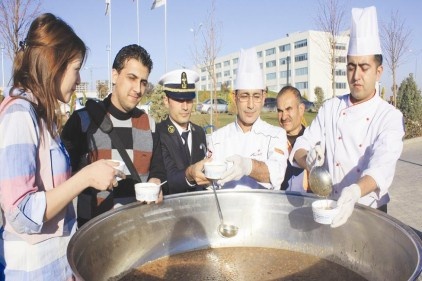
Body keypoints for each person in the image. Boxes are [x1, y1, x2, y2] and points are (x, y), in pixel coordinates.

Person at [0, 13, 124, 280]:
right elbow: (20, 212)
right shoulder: (19, 114)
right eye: (77, 68)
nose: (79, 79)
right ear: (54, 64)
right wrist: (86, 177)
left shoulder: (41, 116)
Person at [290, 6, 405, 227]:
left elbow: (382, 166)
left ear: (378, 71)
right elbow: (302, 145)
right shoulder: (331, 108)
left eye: (364, 67)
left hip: (371, 212)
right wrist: (310, 162)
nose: (356, 76)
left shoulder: (389, 116)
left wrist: (354, 191)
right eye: (351, 67)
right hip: (330, 205)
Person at [61, 44, 166, 227]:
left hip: (139, 229)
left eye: (143, 82)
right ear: (115, 75)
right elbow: (61, 178)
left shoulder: (149, 124)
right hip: (94, 232)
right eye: (131, 78)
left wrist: (156, 181)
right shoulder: (82, 122)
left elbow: (158, 168)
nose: (138, 89)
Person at [209, 48, 288, 189]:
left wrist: (248, 166)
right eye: (245, 96)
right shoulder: (217, 139)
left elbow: (277, 172)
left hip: (263, 209)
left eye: (256, 96)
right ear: (235, 98)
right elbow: (210, 185)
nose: (251, 105)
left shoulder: (276, 135)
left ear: (264, 98)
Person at [156, 69, 210, 194]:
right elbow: (165, 180)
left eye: (189, 100)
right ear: (166, 101)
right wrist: (190, 175)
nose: (185, 107)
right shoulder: (158, 133)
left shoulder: (199, 132)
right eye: (179, 100)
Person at [276, 85, 309, 192]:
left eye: (288, 109)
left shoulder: (314, 142)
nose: (284, 116)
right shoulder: (272, 141)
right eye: (280, 111)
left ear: (301, 109)